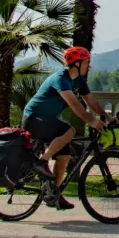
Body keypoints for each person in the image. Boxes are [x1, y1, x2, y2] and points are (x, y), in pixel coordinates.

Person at [22, 46, 105, 210]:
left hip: (46, 120)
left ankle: (54, 193)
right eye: (87, 62)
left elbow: (91, 101)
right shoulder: (61, 79)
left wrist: (107, 118)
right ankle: (43, 161)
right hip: (34, 118)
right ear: (76, 63)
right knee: (70, 131)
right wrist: (92, 122)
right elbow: (74, 104)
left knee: (65, 156)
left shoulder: (78, 81)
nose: (89, 66)